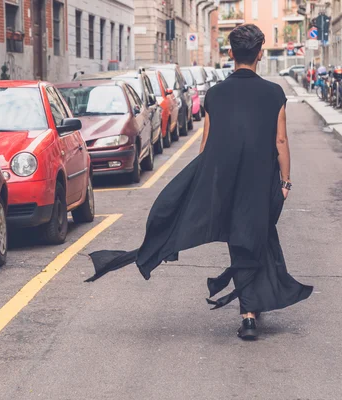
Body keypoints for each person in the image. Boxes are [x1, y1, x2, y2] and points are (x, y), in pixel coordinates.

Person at [86, 24, 313, 341]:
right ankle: (249, 312)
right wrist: (286, 182)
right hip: (263, 184)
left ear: (230, 54)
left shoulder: (216, 95)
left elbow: (206, 145)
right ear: (260, 54)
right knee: (252, 237)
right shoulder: (274, 93)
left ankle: (252, 306)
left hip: (229, 181)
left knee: (246, 240)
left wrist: (206, 184)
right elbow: (280, 141)